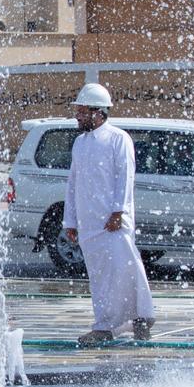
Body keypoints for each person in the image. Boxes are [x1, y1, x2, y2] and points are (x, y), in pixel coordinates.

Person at [62, 83, 155, 346]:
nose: (78, 117)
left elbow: (125, 177)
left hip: (114, 222)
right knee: (100, 278)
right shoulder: (80, 143)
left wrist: (118, 211)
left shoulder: (118, 138)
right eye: (77, 111)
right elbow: (73, 183)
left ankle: (142, 316)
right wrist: (70, 220)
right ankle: (104, 325)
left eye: (82, 111)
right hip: (89, 224)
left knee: (126, 271)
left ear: (98, 112)